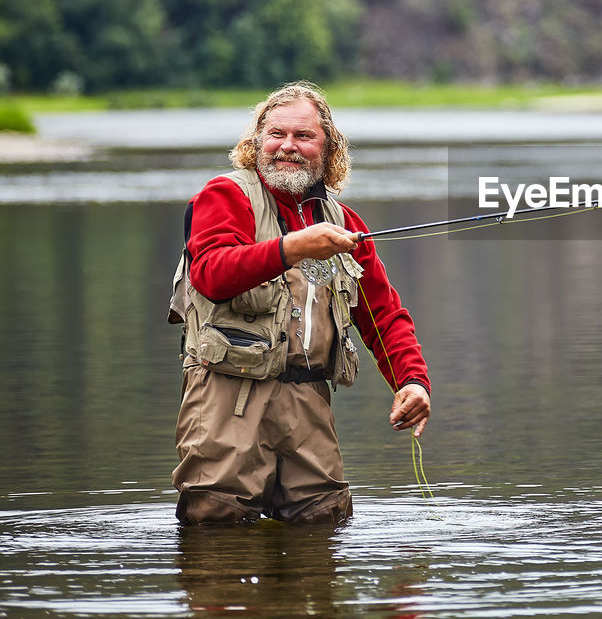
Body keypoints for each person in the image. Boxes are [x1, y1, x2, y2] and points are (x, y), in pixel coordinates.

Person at [169, 81, 431, 525]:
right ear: (257, 142)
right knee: (216, 525)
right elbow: (211, 273)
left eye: (304, 136)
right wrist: (294, 247)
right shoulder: (224, 196)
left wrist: (412, 380)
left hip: (309, 399)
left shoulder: (343, 222)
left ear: (329, 150)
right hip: (227, 395)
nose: (287, 146)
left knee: (324, 521)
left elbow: (381, 313)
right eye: (276, 134)